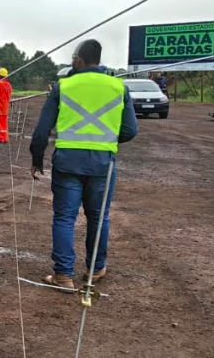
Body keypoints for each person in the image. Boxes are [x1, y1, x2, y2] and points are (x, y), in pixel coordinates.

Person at [29, 39, 138, 289]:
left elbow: (41, 131)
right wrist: (106, 139)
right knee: (98, 218)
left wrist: (37, 159)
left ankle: (64, 275)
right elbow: (131, 130)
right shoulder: (119, 87)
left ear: (78, 59)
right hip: (103, 164)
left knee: (65, 218)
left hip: (68, 161)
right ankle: (96, 269)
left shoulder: (63, 86)